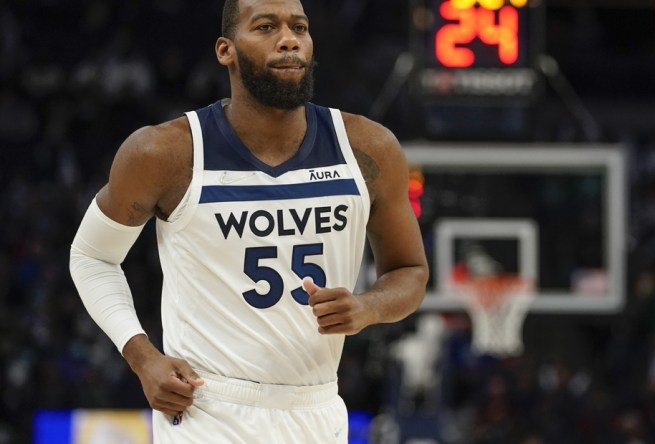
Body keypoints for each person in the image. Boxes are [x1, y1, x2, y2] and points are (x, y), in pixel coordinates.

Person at [68, 0, 429, 441]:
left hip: (318, 408)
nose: (289, 38)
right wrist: (142, 357)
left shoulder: (369, 148)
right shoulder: (164, 153)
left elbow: (410, 271)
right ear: (226, 50)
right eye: (265, 27)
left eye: (299, 26)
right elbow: (91, 256)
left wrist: (367, 308)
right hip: (207, 407)